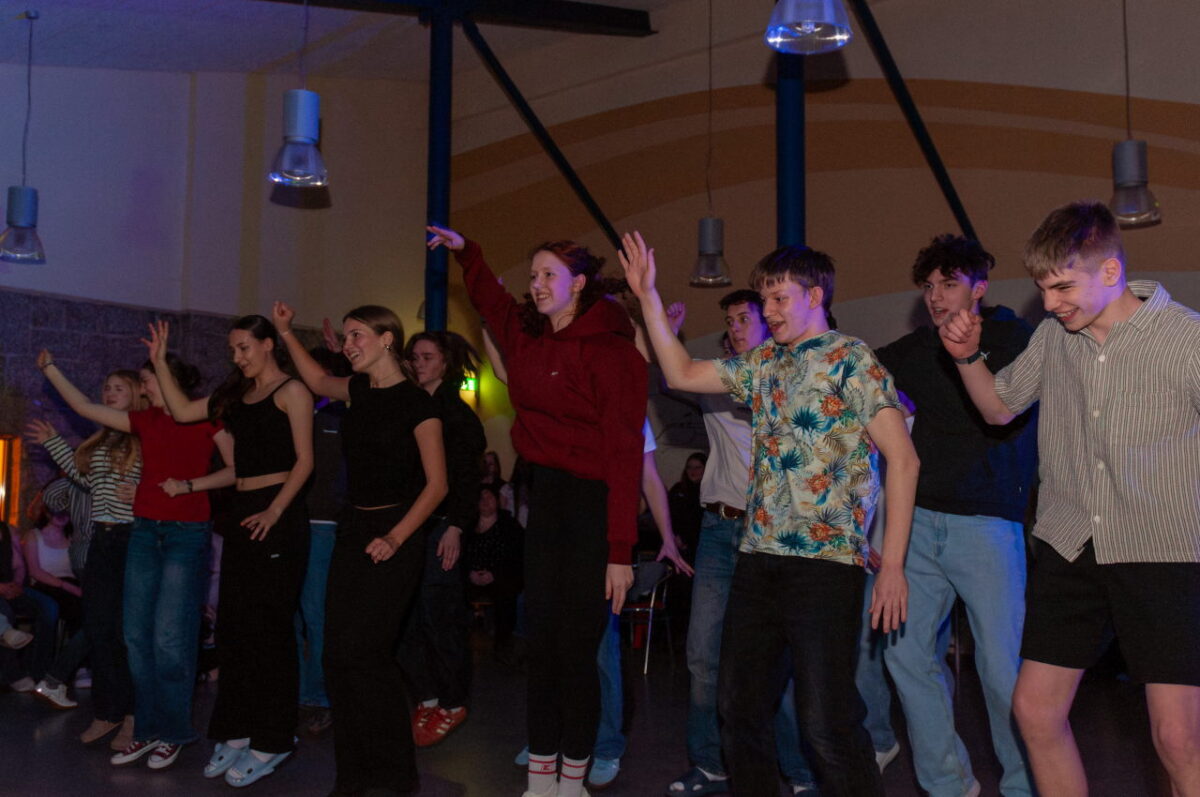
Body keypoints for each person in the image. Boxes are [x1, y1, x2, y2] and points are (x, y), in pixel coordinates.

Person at [622, 231, 918, 796]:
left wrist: (895, 567)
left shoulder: (851, 359)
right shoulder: (762, 362)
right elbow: (681, 373)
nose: (770, 310)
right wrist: (648, 298)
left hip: (826, 565)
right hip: (757, 559)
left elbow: (904, 460)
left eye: (781, 298)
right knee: (739, 709)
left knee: (826, 722)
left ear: (815, 296)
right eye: (766, 300)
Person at [939, 200, 1200, 797]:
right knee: (1034, 711)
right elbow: (999, 408)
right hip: (1071, 543)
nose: (1050, 303)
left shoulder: (1186, 340)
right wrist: (967, 358)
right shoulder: (1054, 339)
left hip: (1164, 552)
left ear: (1110, 271)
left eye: (1062, 287)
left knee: (1178, 738)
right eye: (1042, 288)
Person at [428, 224, 645, 797]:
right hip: (544, 502)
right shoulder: (529, 338)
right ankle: (541, 777)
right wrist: (468, 253)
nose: (538, 283)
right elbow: (492, 302)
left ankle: (573, 781)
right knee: (542, 647)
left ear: (579, 284)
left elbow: (625, 456)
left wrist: (620, 552)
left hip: (593, 506)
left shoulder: (613, 353)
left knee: (577, 654)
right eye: (533, 275)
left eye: (550, 274)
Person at [873, 234, 1037, 797]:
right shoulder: (917, 347)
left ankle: (1023, 785)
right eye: (928, 286)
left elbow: (1008, 411)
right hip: (918, 523)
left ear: (979, 288)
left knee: (1002, 670)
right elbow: (856, 373)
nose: (936, 296)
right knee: (904, 653)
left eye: (949, 284)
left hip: (988, 524)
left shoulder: (1014, 337)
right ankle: (948, 784)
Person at [272, 301, 447, 797]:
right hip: (353, 531)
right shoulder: (358, 390)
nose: (348, 345)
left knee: (368, 656)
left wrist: (395, 537)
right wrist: (286, 332)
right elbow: (314, 379)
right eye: (346, 337)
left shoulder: (418, 404)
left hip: (397, 534)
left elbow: (437, 485)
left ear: (387, 339)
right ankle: (353, 776)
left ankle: (397, 777)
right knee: (337, 657)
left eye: (357, 335)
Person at [38, 346, 235, 771]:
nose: (143, 388)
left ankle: (173, 732)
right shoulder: (146, 421)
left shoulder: (207, 417)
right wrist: (50, 369)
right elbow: (83, 406)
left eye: (146, 381)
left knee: (169, 639)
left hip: (185, 533)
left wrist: (189, 485)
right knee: (135, 637)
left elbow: (236, 469)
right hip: (144, 532)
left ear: (166, 380)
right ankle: (143, 728)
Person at [661, 290, 824, 796]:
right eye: (729, 320)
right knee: (702, 655)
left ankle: (799, 772)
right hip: (717, 531)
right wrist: (665, 329)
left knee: (776, 661)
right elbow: (670, 369)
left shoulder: (789, 377)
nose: (734, 327)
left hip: (768, 533)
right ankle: (710, 764)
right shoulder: (717, 381)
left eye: (743, 318)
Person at [146, 316, 314, 787]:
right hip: (242, 512)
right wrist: (159, 363)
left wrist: (275, 511)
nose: (237, 357)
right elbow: (183, 412)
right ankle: (237, 731)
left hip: (277, 513)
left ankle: (275, 738)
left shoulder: (292, 391)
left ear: (267, 344)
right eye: (233, 350)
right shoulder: (237, 394)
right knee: (234, 629)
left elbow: (305, 461)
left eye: (244, 348)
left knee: (270, 630)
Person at [24, 367, 146, 748]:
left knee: (125, 634)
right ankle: (108, 712)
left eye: (118, 388)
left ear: (136, 394)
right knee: (98, 629)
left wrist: (143, 492)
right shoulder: (103, 439)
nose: (109, 393)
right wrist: (54, 442)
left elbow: (162, 481)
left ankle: (133, 716)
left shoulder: (143, 435)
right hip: (101, 541)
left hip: (130, 538)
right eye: (106, 388)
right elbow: (85, 480)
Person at [401, 330, 487, 748]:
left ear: (445, 363)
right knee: (408, 619)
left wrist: (455, 526)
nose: (419, 363)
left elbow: (468, 477)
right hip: (410, 525)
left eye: (427, 357)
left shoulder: (457, 414)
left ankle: (452, 703)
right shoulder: (412, 405)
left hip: (440, 527)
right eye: (414, 357)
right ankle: (429, 697)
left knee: (439, 617)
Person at [295, 345, 349, 738]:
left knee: (316, 615)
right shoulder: (294, 412)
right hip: (290, 522)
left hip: (324, 524)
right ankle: (300, 692)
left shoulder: (340, 416)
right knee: (293, 616)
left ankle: (320, 697)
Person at [667, 453, 705, 560]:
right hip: (674, 541)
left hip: (699, 546)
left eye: (697, 467)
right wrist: (674, 535)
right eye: (689, 467)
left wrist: (686, 539)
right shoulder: (678, 489)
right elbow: (668, 514)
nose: (693, 471)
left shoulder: (708, 493)